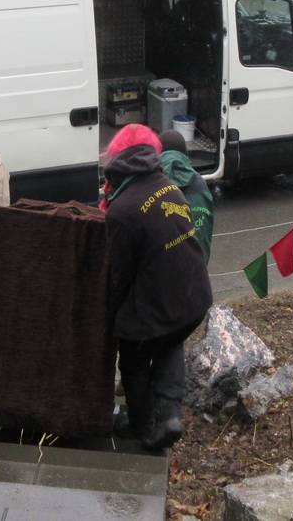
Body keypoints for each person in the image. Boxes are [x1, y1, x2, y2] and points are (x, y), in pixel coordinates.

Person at [102, 124, 212, 451]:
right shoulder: (168, 186)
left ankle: (142, 427)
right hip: (194, 295)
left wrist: (108, 320)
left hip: (164, 298)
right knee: (170, 339)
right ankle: (170, 414)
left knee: (134, 358)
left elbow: (117, 276)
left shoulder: (122, 211)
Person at [158, 130, 214, 263]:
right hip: (199, 270)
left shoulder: (155, 184)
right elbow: (206, 230)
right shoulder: (200, 182)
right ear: (184, 154)